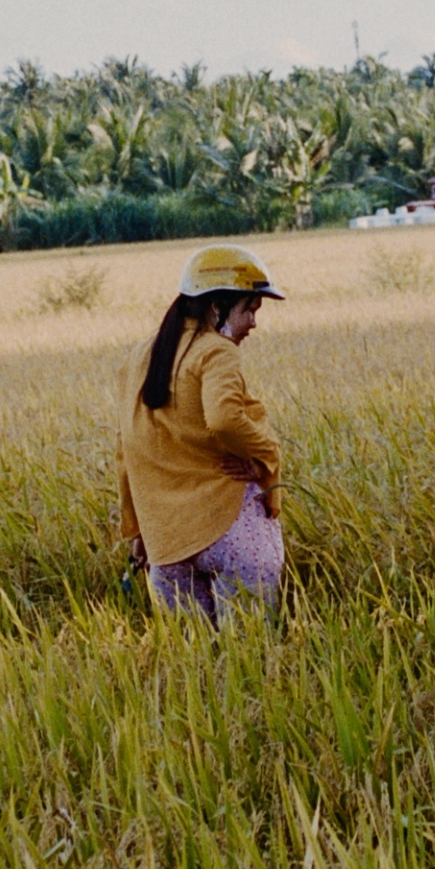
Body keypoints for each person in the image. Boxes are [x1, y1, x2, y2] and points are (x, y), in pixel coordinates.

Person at [118, 244, 287, 622]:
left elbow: (126, 451)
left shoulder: (139, 357)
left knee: (193, 655)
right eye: (250, 309)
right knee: (249, 651)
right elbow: (225, 419)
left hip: (166, 543)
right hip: (231, 531)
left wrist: (139, 532)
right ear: (216, 307)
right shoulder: (215, 350)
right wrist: (266, 456)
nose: (253, 323)